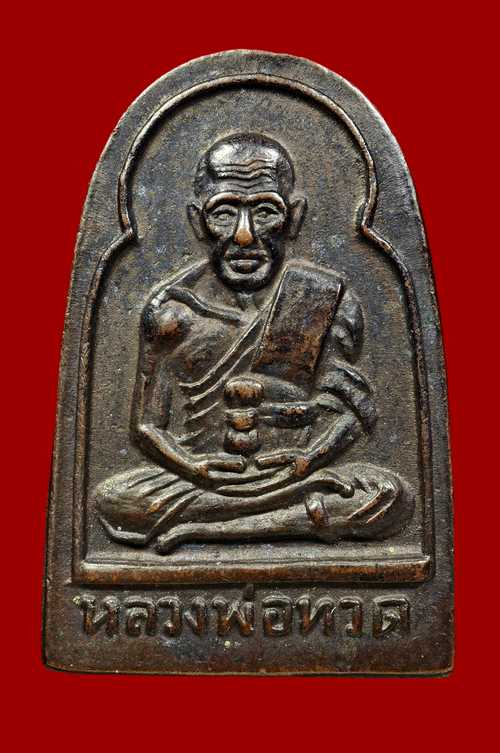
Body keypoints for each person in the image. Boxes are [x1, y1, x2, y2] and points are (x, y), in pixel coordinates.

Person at [95, 133, 414, 553]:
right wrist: (194, 468)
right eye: (224, 213)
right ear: (197, 221)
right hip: (204, 479)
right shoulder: (173, 310)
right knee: (116, 499)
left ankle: (206, 531)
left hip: (295, 475)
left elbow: (351, 411)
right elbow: (146, 426)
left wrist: (309, 458)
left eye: (265, 211)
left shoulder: (320, 297)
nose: (244, 235)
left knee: (389, 496)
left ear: (293, 217)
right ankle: (281, 523)